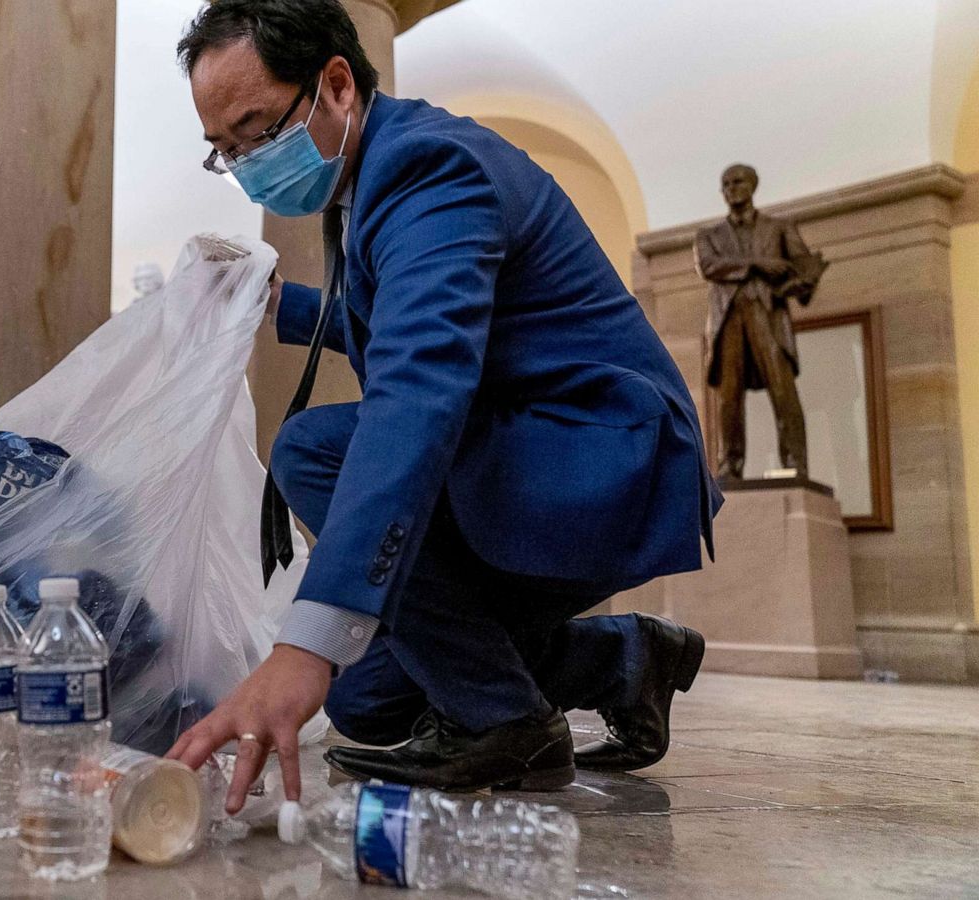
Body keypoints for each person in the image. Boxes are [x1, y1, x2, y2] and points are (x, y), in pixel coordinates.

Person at [164, 0, 722, 815]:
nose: (248, 162)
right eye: (225, 151)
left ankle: (512, 724)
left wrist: (303, 643)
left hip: (600, 460)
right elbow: (410, 331)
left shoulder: (427, 167)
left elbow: (419, 391)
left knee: (315, 449)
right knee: (368, 700)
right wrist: (277, 303)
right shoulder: (366, 177)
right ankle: (620, 662)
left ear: (337, 84)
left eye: (257, 131)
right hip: (534, 454)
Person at [696, 164, 822, 481]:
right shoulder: (708, 235)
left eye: (737, 182)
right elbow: (710, 266)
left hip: (767, 315)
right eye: (725, 184)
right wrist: (758, 263)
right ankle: (730, 464)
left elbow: (800, 267)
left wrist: (804, 279)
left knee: (784, 391)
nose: (730, 188)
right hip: (728, 320)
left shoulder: (780, 227)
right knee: (728, 397)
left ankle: (795, 463)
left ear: (753, 185)